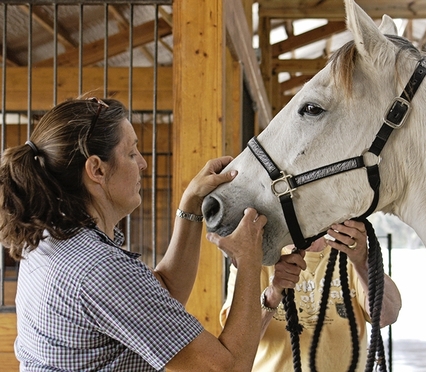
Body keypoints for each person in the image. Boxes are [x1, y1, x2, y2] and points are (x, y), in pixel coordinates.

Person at [0, 97, 266, 372]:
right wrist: (249, 260)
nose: (142, 163)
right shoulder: (98, 268)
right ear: (97, 170)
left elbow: (167, 292)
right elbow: (227, 369)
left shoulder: (49, 240)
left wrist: (191, 203)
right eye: (131, 153)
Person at [220, 219, 402, 371]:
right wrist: (274, 293)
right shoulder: (256, 261)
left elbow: (387, 315)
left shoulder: (349, 254)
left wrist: (362, 262)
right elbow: (237, 346)